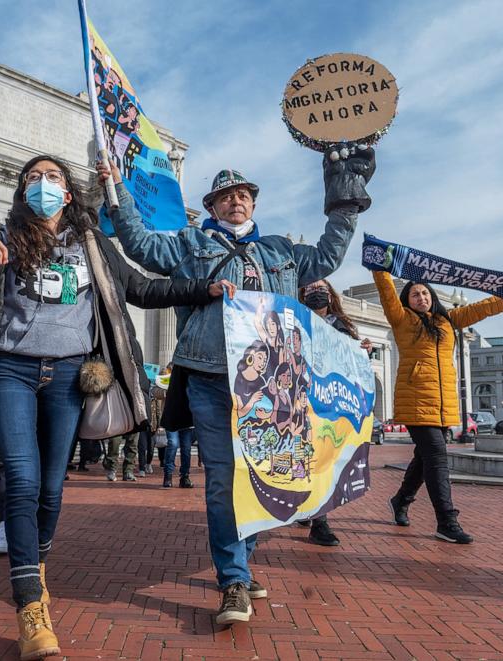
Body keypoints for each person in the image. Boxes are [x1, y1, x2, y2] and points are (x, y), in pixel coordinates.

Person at [0, 154, 235, 659]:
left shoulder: (91, 244)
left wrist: (204, 288)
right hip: (13, 372)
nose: (42, 185)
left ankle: (36, 561)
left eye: (51, 178)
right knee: (22, 480)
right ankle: (29, 603)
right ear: (22, 191)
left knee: (51, 487)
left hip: (70, 376)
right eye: (32, 178)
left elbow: (143, 289)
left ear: (68, 194)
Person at [98, 143, 375, 625]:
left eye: (243, 194)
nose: (235, 201)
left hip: (274, 380)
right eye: (225, 196)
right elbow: (141, 245)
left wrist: (345, 198)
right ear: (211, 207)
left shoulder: (283, 252)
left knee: (269, 477)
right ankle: (232, 580)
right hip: (209, 374)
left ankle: (242, 561)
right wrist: (115, 187)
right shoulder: (189, 245)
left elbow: (331, 252)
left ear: (254, 202)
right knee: (225, 479)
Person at [372, 271, 503, 544]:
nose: (421, 297)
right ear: (407, 300)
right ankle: (446, 521)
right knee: (437, 455)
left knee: (424, 456)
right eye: (415, 294)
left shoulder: (448, 320)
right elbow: (387, 294)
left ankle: (401, 499)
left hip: (442, 403)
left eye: (425, 292)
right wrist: (380, 268)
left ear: (432, 296)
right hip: (415, 399)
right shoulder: (402, 320)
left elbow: (484, 308)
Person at [295, 280, 373, 547]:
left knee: (323, 457)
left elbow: (353, 362)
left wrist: (364, 351)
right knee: (303, 459)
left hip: (329, 402)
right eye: (311, 289)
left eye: (321, 289)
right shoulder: (293, 319)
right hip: (301, 398)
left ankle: (320, 522)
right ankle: (308, 505)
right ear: (302, 294)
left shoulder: (342, 326)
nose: (317, 293)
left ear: (330, 294)